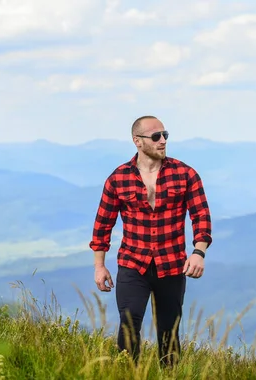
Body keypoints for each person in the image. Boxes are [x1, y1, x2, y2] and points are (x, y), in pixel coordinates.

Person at [89, 115, 212, 367]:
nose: (162, 141)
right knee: (129, 325)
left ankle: (169, 374)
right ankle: (128, 373)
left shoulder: (186, 174)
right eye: (156, 136)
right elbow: (103, 224)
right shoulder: (118, 178)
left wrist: (198, 252)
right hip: (133, 264)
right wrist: (99, 266)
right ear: (137, 141)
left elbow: (201, 216)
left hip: (172, 265)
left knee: (169, 332)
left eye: (165, 135)